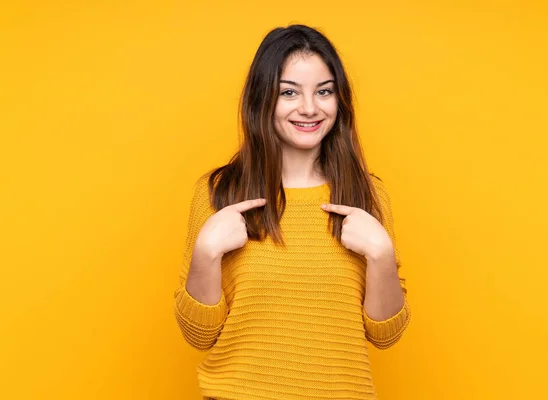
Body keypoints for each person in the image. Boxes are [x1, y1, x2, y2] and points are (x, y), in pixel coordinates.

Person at [174, 24, 411, 400]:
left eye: (324, 91)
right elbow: (198, 335)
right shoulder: (219, 192)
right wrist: (206, 253)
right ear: (261, 99)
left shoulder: (367, 194)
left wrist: (382, 255)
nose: (309, 108)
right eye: (289, 92)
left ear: (339, 100)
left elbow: (385, 335)